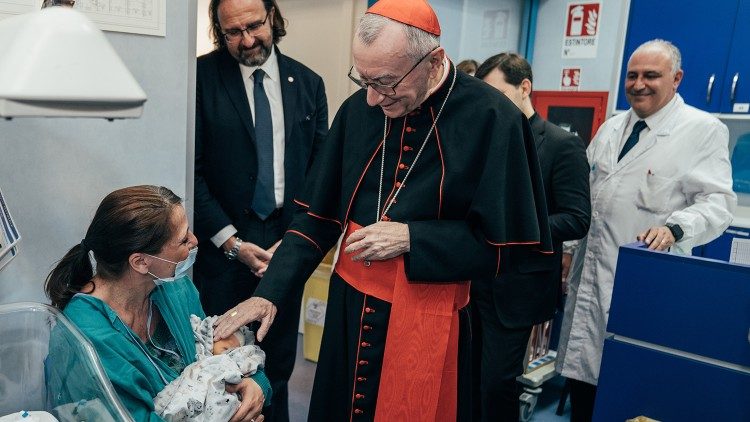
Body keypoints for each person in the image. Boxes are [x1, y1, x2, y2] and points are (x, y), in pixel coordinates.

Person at [213, 0, 554, 420]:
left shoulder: (494, 119)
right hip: (350, 312)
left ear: (433, 62)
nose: (372, 98)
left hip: (432, 316)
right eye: (364, 79)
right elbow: (316, 221)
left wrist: (416, 238)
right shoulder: (360, 110)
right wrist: (268, 296)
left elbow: (509, 247)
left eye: (387, 82)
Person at [556, 39, 737, 421]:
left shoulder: (702, 130)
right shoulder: (610, 129)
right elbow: (584, 197)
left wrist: (675, 227)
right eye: (633, 75)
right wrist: (569, 250)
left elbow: (718, 204)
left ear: (677, 79)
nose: (639, 84)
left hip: (647, 283)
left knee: (632, 390)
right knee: (583, 391)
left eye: (651, 75)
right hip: (589, 277)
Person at [193, 0, 328, 419]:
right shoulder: (199, 78)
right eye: (233, 32)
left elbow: (319, 178)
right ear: (219, 30)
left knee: (279, 365)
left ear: (273, 16)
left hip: (284, 247)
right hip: (222, 248)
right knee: (220, 366)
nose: (247, 39)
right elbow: (190, 172)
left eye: (255, 26)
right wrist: (231, 242)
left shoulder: (308, 83)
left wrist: (293, 248)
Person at [44, 185, 271, 422]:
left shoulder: (174, 288)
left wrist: (257, 386)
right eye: (183, 239)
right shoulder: (87, 338)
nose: (194, 241)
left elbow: (216, 353)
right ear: (141, 262)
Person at [472, 53, 591, 421]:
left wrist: (518, 229)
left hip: (520, 289)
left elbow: (576, 219)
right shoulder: (482, 142)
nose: (486, 102)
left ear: (525, 87)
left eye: (494, 92)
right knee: (469, 380)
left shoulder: (560, 145)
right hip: (474, 281)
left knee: (496, 385)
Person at [154, 315, 269, 421]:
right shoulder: (197, 349)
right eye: (226, 339)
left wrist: (259, 382)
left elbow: (254, 369)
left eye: (237, 346)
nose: (232, 346)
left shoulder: (235, 360)